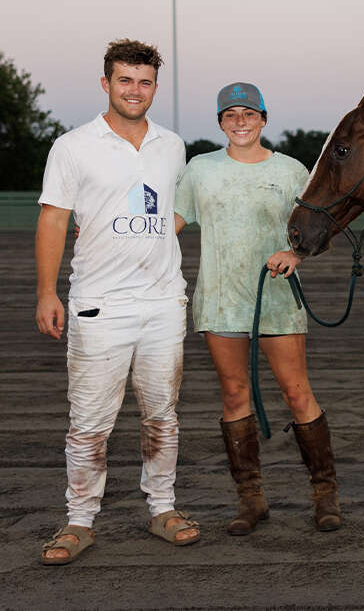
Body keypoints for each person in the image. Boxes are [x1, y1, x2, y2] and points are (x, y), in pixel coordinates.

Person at [35, 39, 200, 565]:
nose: (136, 90)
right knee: (90, 423)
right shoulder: (73, 146)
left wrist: (152, 243)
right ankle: (80, 521)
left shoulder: (172, 145)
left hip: (163, 303)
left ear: (156, 87)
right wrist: (45, 291)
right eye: (125, 80)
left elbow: (173, 211)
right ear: (106, 84)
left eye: (145, 81)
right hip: (98, 304)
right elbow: (54, 219)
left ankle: (164, 509)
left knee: (162, 416)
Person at [173, 82, 341, 535]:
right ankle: (251, 499)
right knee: (233, 395)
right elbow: (165, 224)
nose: (240, 122)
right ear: (220, 123)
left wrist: (298, 254)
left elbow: (318, 225)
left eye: (249, 114)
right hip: (221, 299)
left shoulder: (290, 170)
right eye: (231, 115)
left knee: (297, 393)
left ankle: (324, 495)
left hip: (277, 299)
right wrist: (103, 233)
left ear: (264, 119)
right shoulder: (200, 169)